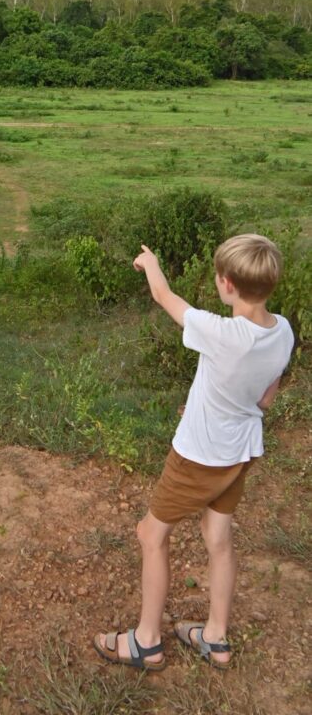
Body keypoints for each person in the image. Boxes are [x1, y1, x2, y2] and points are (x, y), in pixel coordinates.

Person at [93, 234, 294, 671]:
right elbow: (263, 400)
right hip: (241, 451)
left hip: (199, 455)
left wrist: (150, 262)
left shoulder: (221, 332)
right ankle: (215, 637)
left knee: (151, 535)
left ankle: (146, 641)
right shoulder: (283, 331)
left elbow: (165, 296)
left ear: (226, 284)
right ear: (271, 285)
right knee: (219, 539)